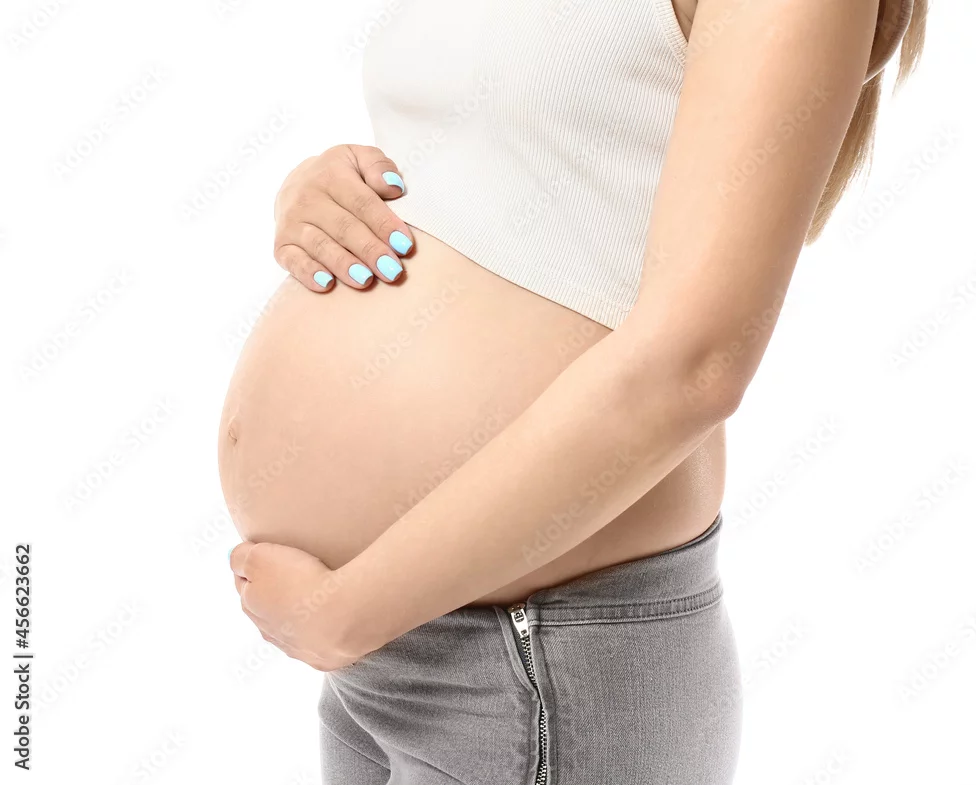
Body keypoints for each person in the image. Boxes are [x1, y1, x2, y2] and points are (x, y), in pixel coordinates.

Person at [223, 1, 926, 782]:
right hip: (393, 649)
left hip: (536, 657)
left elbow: (694, 366)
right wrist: (323, 191)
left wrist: (346, 613)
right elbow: (511, 149)